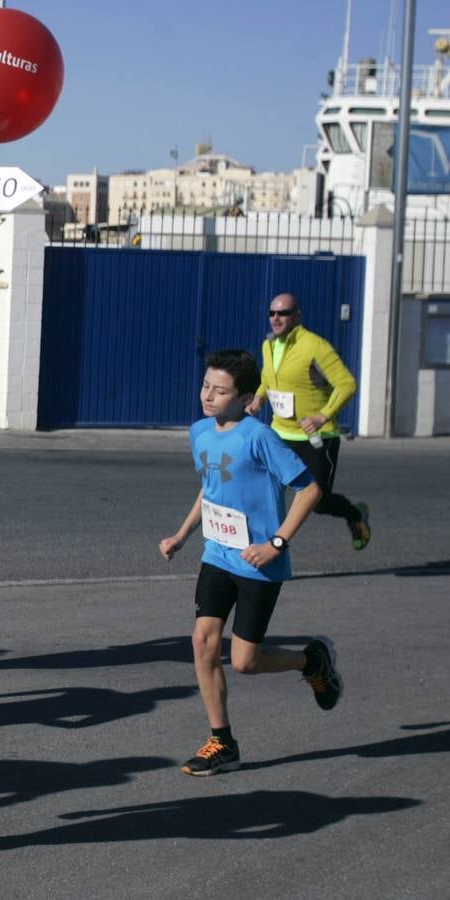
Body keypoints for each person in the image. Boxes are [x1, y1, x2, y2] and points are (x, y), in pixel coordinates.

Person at [160, 349, 343, 777]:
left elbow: (310, 490)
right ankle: (222, 743)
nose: (208, 396)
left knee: (245, 662)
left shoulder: (259, 437)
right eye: (206, 386)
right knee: (202, 642)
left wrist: (276, 543)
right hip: (217, 554)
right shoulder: (199, 431)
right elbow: (211, 487)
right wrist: (183, 535)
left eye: (220, 391)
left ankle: (311, 661)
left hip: (258, 563)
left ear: (244, 398)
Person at [245, 292, 371, 550]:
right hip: (279, 433)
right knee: (266, 493)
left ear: (297, 315)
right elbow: (268, 379)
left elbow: (347, 384)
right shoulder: (268, 345)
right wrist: (258, 399)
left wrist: (322, 416)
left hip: (315, 439)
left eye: (284, 313)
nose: (276, 318)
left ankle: (355, 515)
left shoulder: (315, 346)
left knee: (318, 502)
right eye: (272, 313)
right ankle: (266, 549)